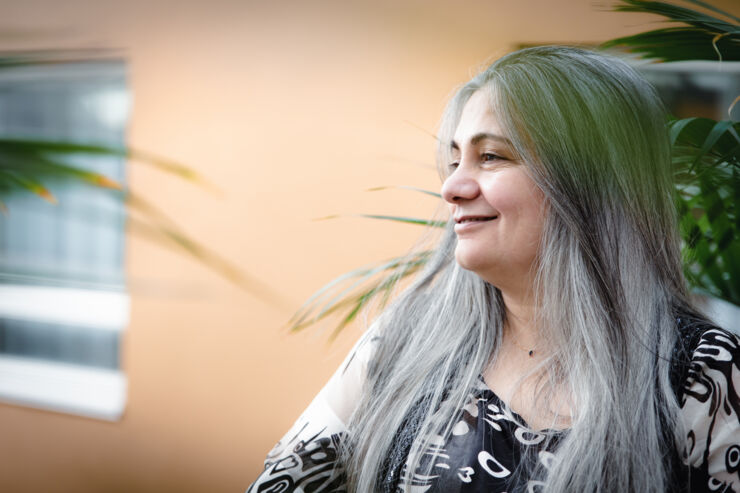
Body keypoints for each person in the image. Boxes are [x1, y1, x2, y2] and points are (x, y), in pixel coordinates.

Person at [247, 46, 740, 493]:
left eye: (491, 156)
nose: (452, 188)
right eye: (455, 159)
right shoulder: (403, 342)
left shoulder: (703, 373)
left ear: (593, 184)